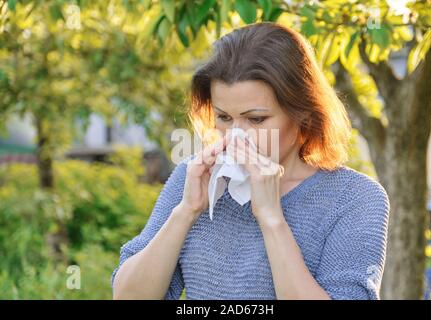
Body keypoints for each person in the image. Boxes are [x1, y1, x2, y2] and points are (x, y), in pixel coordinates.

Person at [111, 22, 390, 300]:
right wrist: (186, 211)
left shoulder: (356, 198)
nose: (235, 137)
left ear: (303, 114)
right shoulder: (194, 179)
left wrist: (271, 218)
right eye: (224, 117)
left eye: (256, 119)